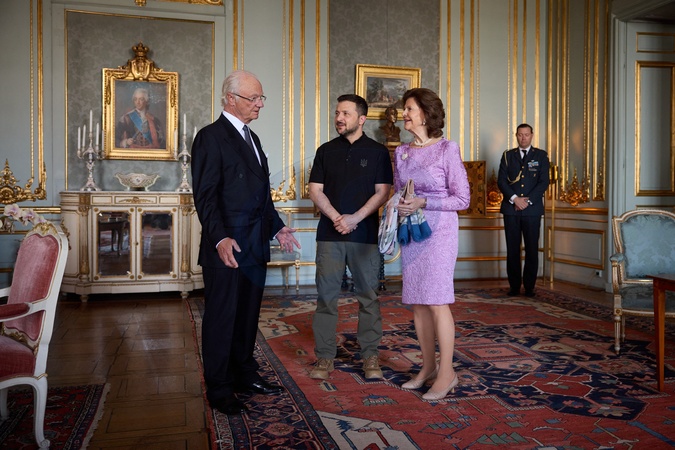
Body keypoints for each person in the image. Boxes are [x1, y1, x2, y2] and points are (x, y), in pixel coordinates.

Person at [191, 70, 301, 415]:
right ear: (230, 99)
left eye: (260, 98)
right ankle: (220, 388)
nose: (259, 104)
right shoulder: (210, 137)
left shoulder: (252, 138)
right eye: (253, 98)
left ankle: (244, 374)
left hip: (254, 245)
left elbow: (261, 195)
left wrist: (278, 228)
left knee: (247, 316)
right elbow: (205, 196)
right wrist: (220, 238)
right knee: (222, 319)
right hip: (226, 248)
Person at [308, 94, 393, 381]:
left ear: (362, 118)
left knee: (368, 297)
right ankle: (324, 356)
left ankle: (370, 356)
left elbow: (383, 191)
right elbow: (315, 190)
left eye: (345, 113)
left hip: (365, 236)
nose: (339, 118)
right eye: (337, 113)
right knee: (326, 298)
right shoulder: (325, 150)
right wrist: (337, 218)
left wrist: (355, 218)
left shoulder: (378, 152)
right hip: (329, 236)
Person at [394, 88, 471, 401]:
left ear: (425, 114)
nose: (404, 114)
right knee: (418, 303)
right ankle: (427, 368)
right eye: (404, 109)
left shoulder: (447, 149)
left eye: (409, 109)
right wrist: (399, 205)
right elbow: (399, 191)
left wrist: (424, 202)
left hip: (440, 234)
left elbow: (462, 199)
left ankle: (447, 373)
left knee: (437, 301)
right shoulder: (401, 152)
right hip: (412, 233)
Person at [497, 123, 550, 297]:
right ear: (516, 136)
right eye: (520, 134)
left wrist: (527, 201)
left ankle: (529, 287)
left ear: (532, 135)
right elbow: (501, 181)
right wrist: (515, 199)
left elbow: (544, 182)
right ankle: (514, 286)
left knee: (532, 249)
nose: (523, 138)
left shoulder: (541, 155)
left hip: (532, 210)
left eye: (526, 134)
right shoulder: (508, 156)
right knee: (512, 249)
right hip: (511, 209)